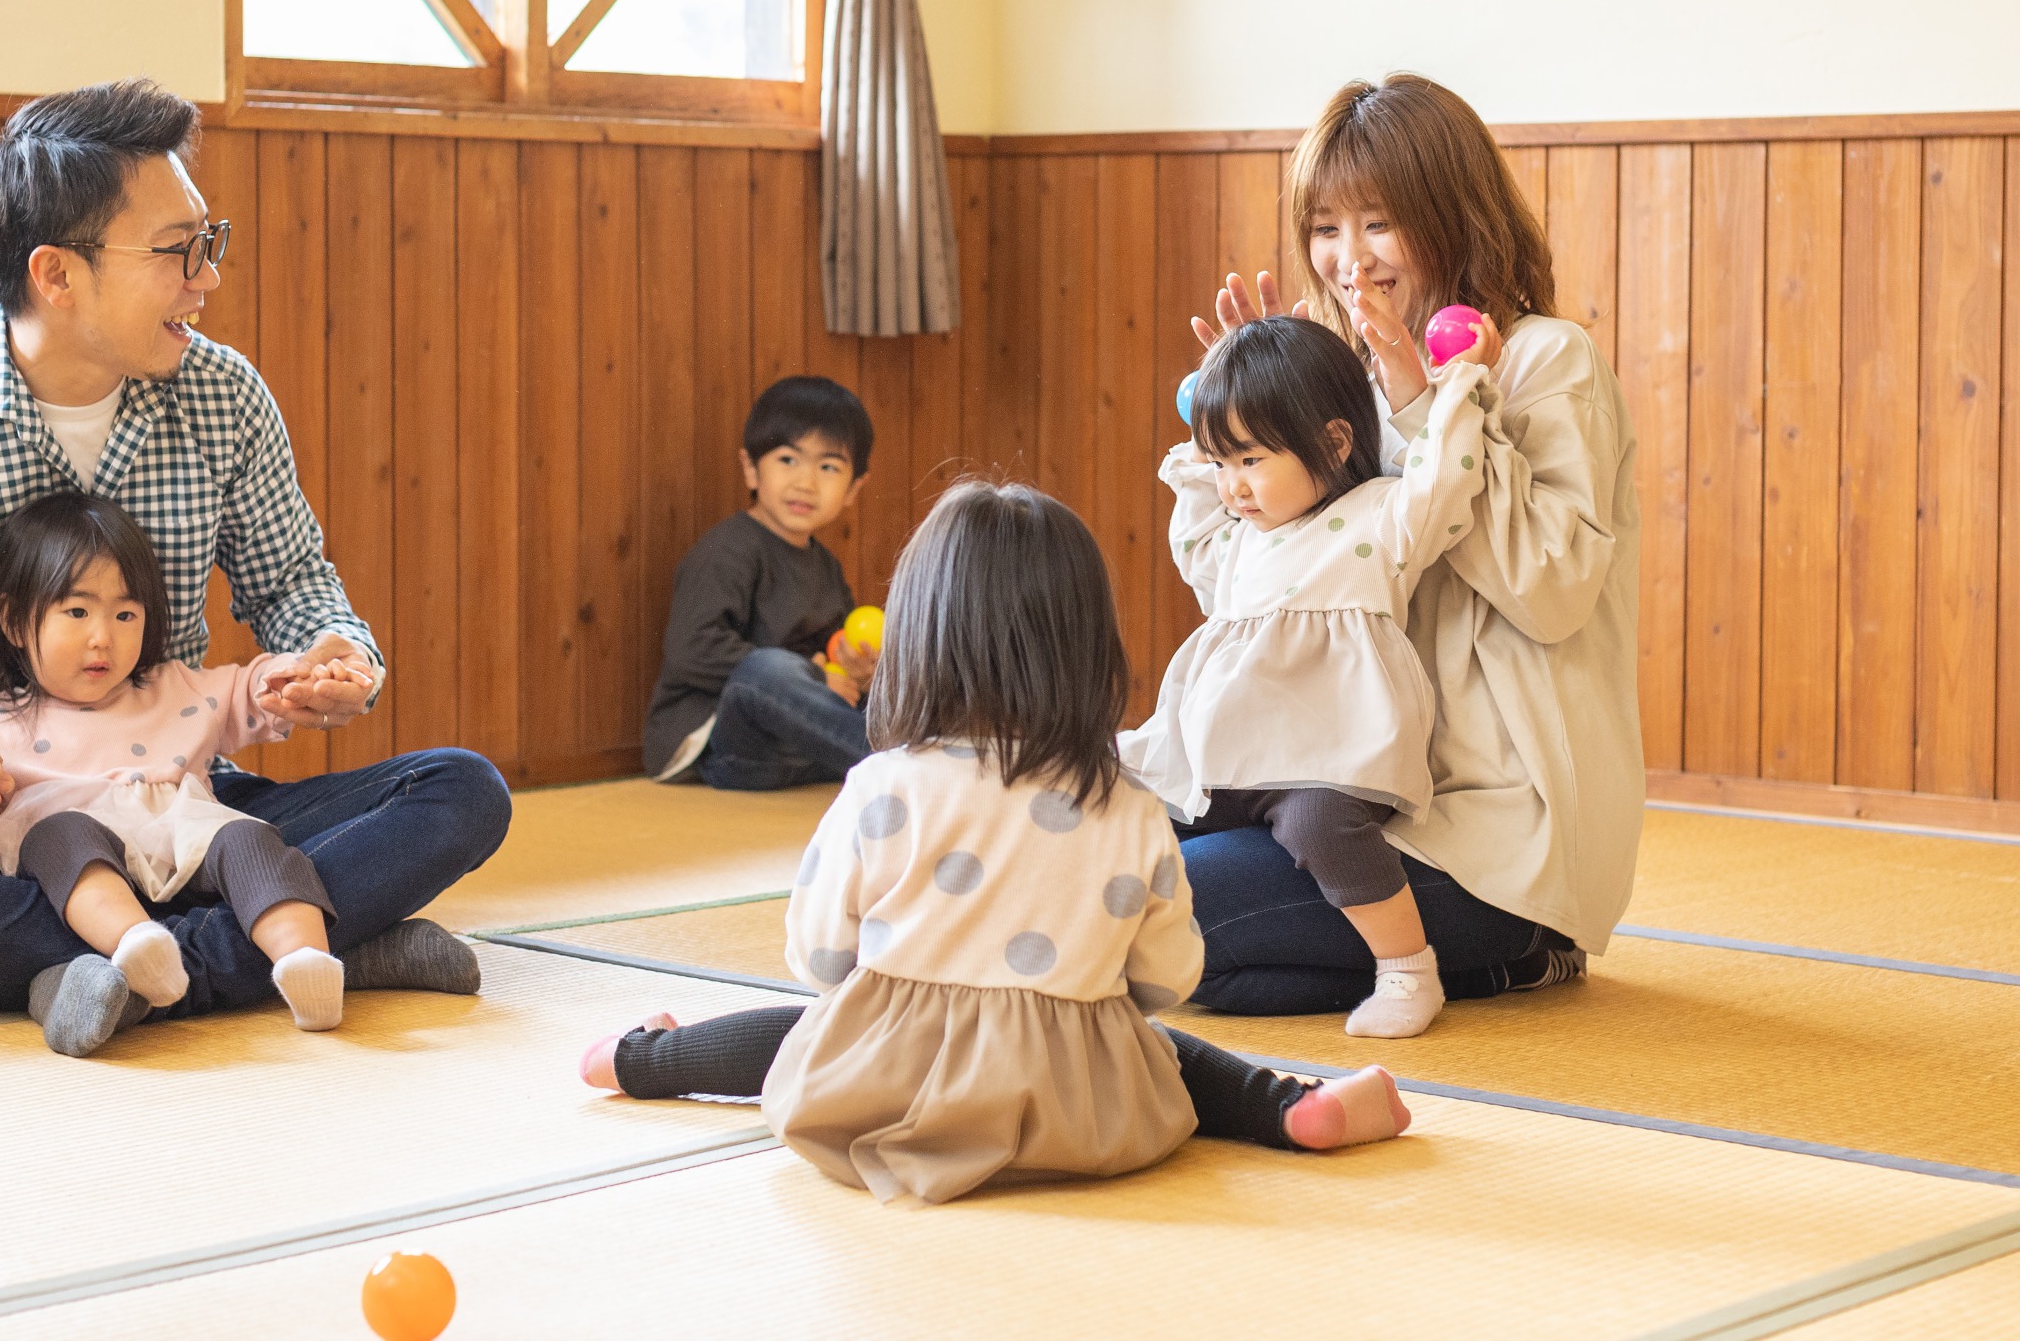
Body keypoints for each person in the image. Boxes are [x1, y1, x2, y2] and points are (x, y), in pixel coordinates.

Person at [0, 78, 510, 1055]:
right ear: (57, 275)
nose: (207, 277)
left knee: (460, 790)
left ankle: (113, 975)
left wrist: (333, 652)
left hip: (191, 811)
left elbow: (289, 584)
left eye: (208, 240)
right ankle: (311, 945)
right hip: (3, 841)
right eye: (177, 251)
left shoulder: (222, 396)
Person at [582, 481, 1411, 1205]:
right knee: (1158, 1050)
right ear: (1087, 648)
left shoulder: (881, 787)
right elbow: (1167, 979)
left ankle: (642, 1061)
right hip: (1087, 1119)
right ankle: (1286, 1106)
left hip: (881, 1103)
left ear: (917, 636)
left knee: (825, 1025)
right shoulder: (1122, 800)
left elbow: (819, 961)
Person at [1183, 71, 1641, 1013]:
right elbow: (1263, 599)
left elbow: (1550, 590)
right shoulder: (1335, 378)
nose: (1352, 257)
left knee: (1162, 910)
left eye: (1379, 221)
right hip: (1345, 794)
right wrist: (1249, 427)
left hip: (1495, 840)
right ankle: (1427, 971)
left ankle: (1511, 952)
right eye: (1326, 227)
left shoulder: (1546, 358)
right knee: (1116, 864)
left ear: (1452, 214)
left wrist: (1424, 400)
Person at [1121, 315, 1498, 1037]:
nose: (1235, 488)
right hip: (1229, 756)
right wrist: (1206, 459)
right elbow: (1195, 548)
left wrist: (1458, 390)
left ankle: (1409, 969)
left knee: (1325, 825)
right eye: (1222, 464)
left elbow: (1441, 484)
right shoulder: (1243, 540)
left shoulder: (1377, 517)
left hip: (1326, 753)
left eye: (1252, 461)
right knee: (1133, 798)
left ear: (1333, 443)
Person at [0, 494, 368, 1043]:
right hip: (74, 866)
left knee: (249, 837)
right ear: (14, 621)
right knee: (56, 836)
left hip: (182, 839)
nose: (103, 636)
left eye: (125, 615)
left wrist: (298, 677)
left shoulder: (175, 689)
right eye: (76, 612)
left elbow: (253, 686)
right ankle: (140, 947)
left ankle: (307, 963)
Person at [644, 375, 880, 791]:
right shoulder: (728, 549)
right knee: (767, 669)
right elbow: (691, 648)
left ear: (853, 489)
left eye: (827, 467)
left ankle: (905, 752)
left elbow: (834, 654)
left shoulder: (826, 565)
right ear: (752, 470)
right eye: (788, 460)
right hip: (721, 745)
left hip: (796, 752)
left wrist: (861, 673)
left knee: (902, 673)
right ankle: (888, 763)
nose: (806, 482)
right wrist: (810, 675)